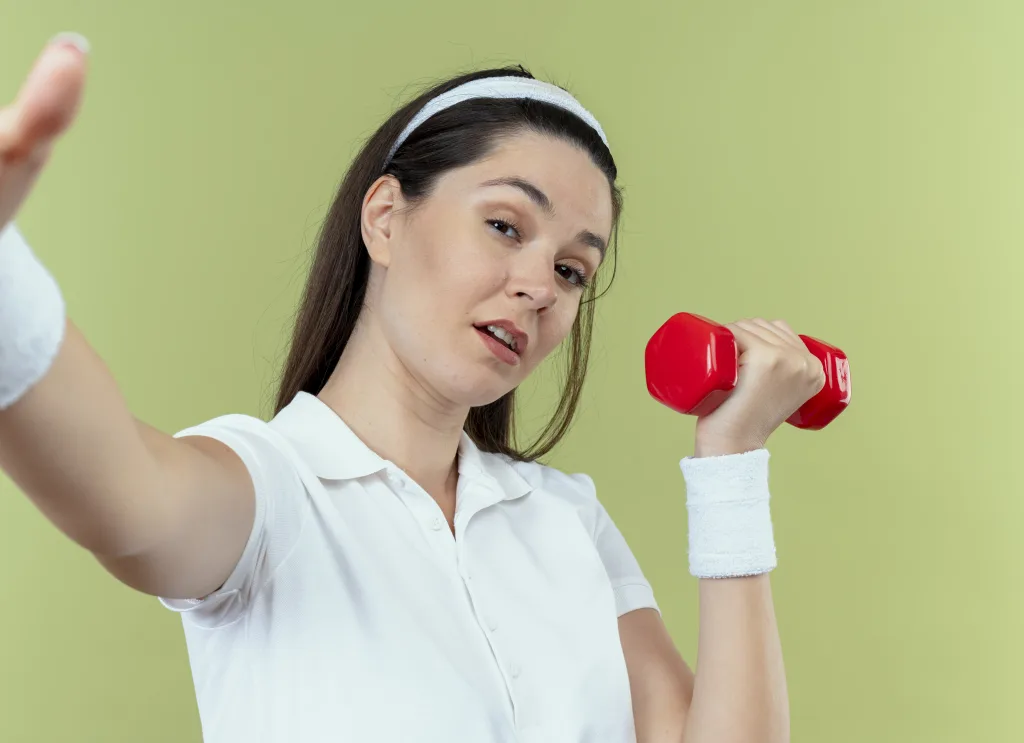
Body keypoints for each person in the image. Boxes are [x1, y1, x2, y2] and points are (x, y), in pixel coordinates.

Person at [0, 34, 826, 743]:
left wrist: (731, 462)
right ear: (386, 218)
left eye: (573, 269)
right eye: (506, 225)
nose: (541, 285)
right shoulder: (275, 492)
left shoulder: (567, 521)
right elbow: (120, 489)